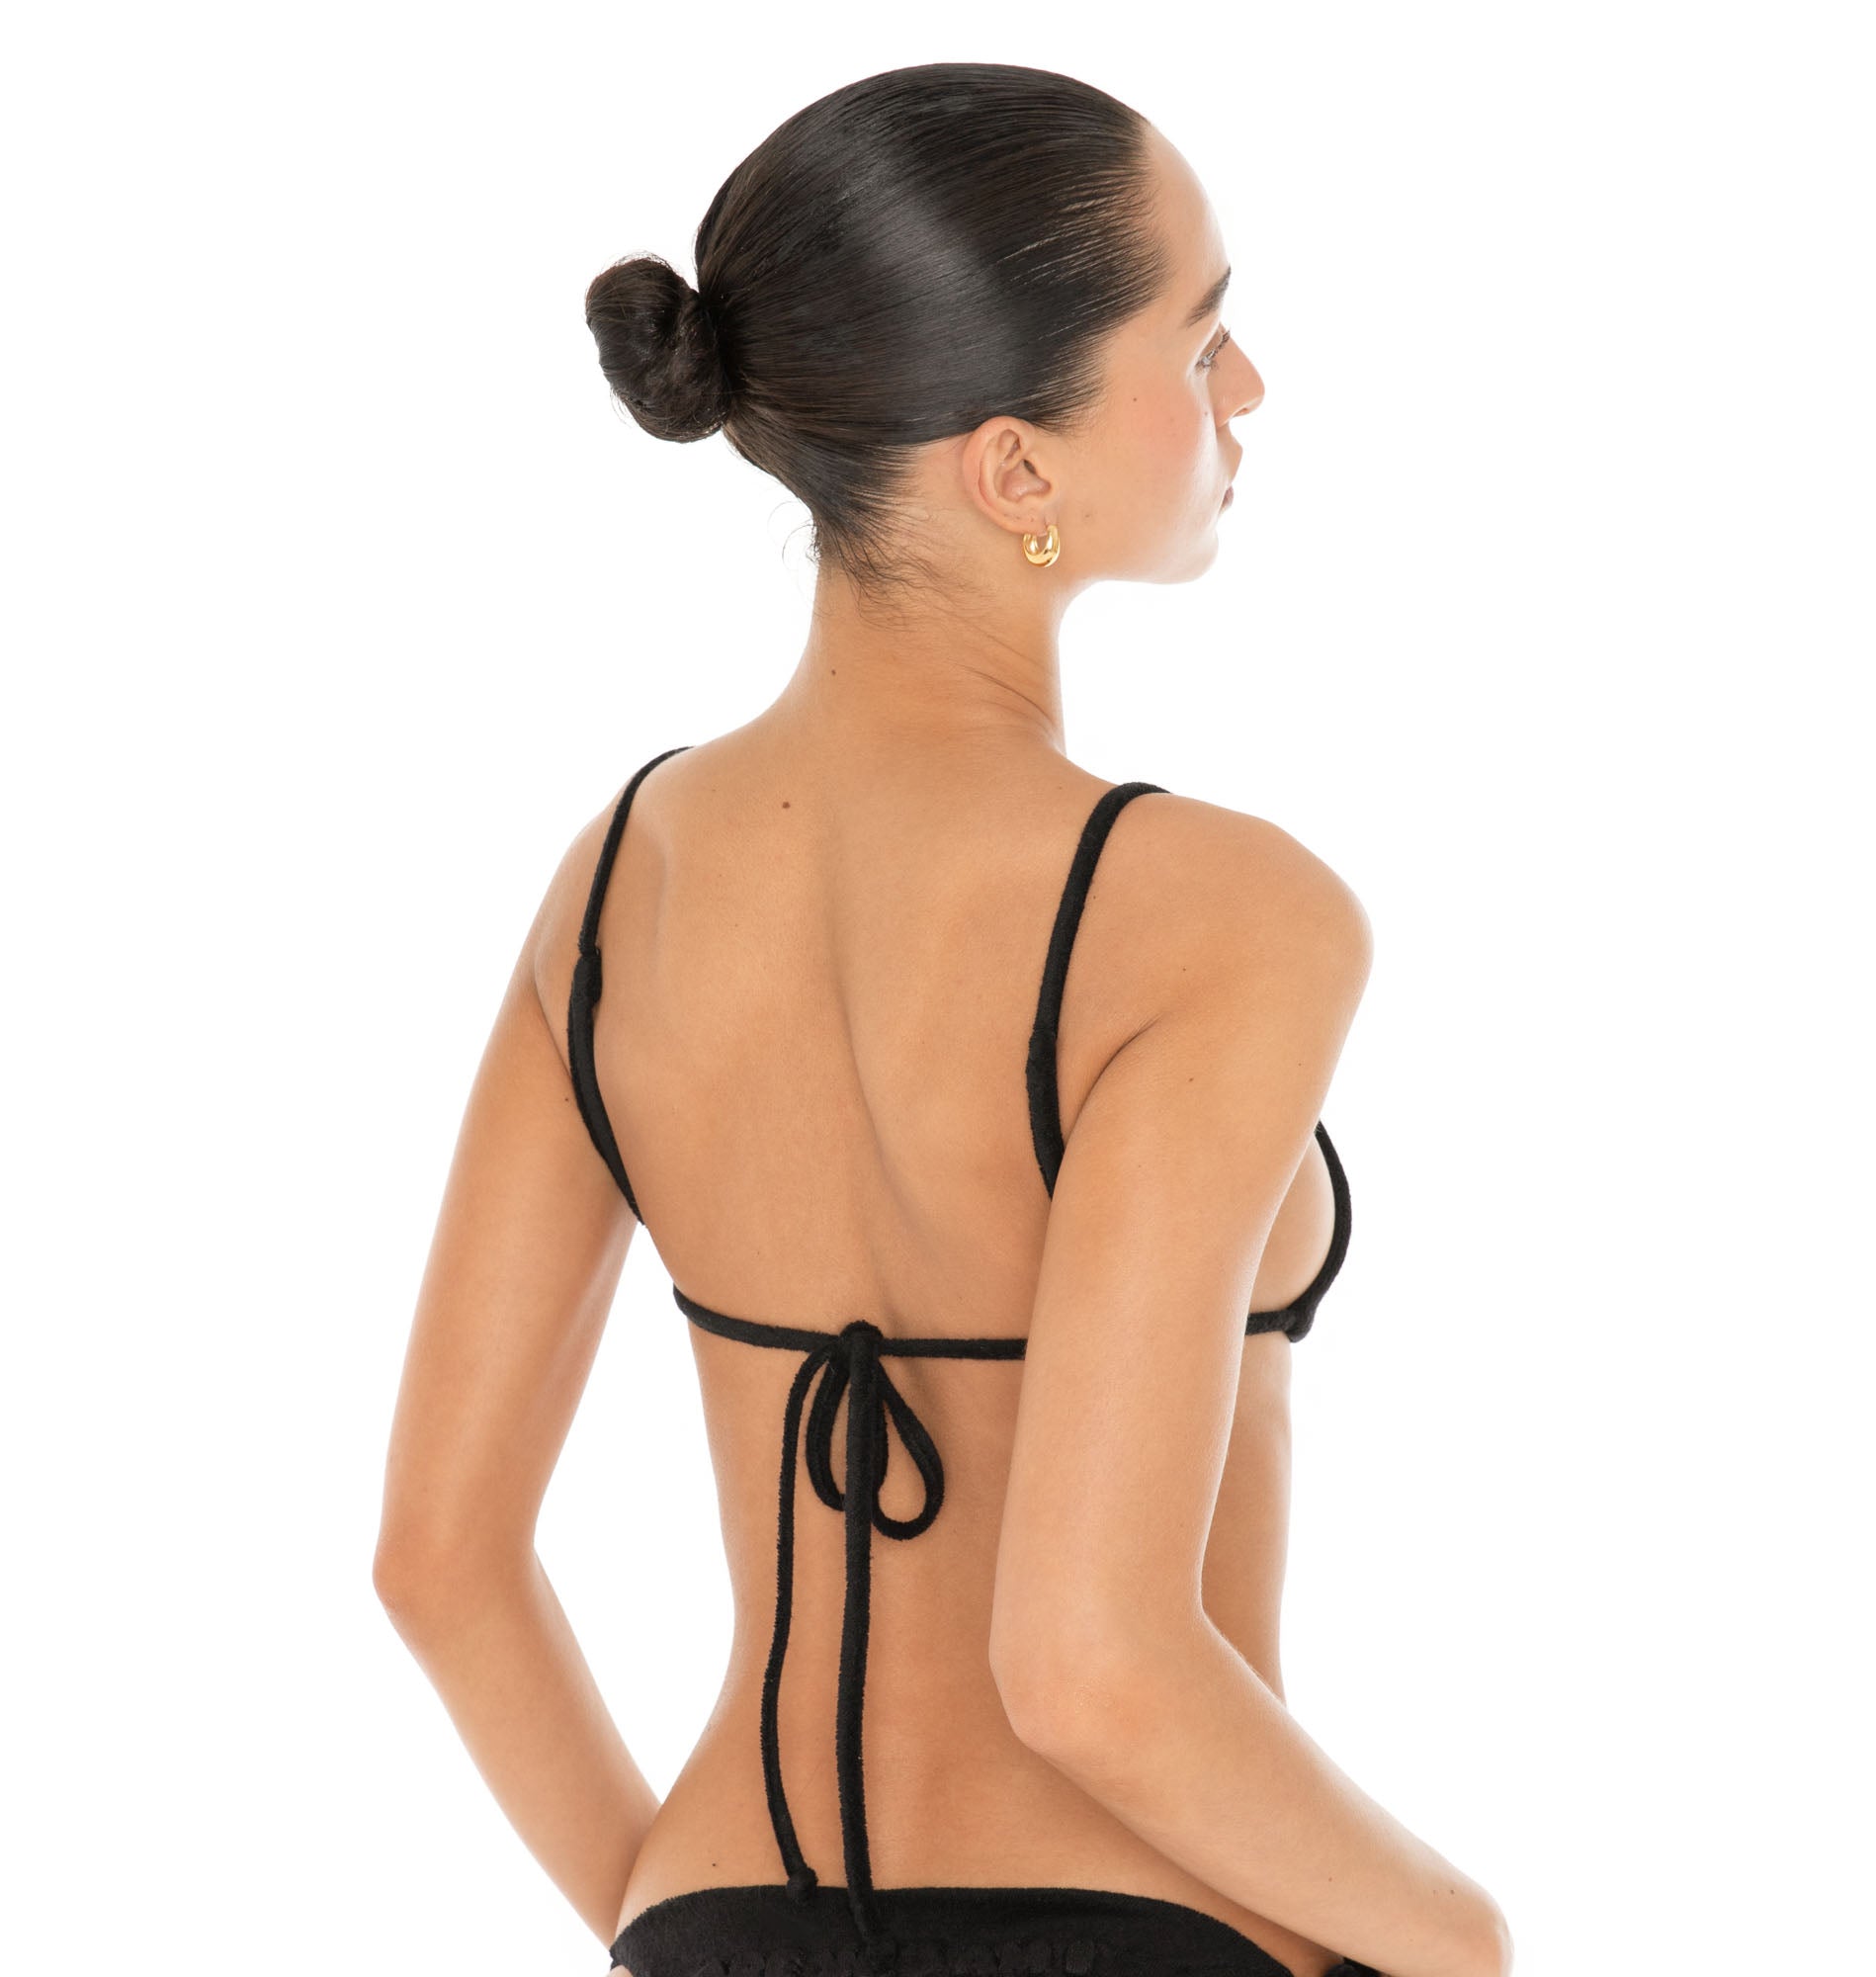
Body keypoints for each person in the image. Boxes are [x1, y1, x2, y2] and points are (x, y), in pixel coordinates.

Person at [374, 60, 1512, 1977]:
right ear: (1015, 470)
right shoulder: (1223, 912)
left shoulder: (618, 887)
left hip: (722, 1903)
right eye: (1202, 340)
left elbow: (437, 1559)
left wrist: (685, 1926)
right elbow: (1087, 1663)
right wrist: (1460, 1941)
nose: (1246, 391)